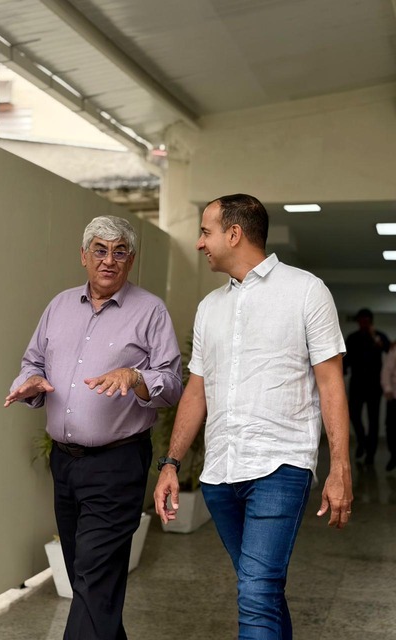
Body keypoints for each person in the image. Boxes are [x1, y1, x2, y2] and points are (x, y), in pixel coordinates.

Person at [154, 193, 353, 640]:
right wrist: (171, 463)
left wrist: (339, 466)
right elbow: (197, 390)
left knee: (257, 591)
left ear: (234, 234)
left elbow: (330, 383)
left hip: (280, 466)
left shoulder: (306, 291)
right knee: (261, 589)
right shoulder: (209, 307)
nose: (199, 243)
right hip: (220, 473)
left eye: (205, 232)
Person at [5, 215, 182, 640]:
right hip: (65, 463)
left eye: (119, 252)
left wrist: (136, 377)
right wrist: (30, 382)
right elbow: (33, 361)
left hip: (117, 464)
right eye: (100, 250)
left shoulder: (150, 311)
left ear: (131, 260)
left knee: (94, 576)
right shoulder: (59, 306)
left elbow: (173, 384)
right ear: (84, 256)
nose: (109, 260)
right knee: (86, 578)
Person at [344, 308, 390, 464]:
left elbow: (387, 349)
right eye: (361, 320)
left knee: (373, 420)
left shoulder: (378, 336)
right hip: (357, 383)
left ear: (371, 321)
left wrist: (374, 335)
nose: (363, 323)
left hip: (374, 385)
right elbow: (346, 360)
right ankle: (362, 441)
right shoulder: (352, 338)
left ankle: (371, 453)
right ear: (358, 321)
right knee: (353, 414)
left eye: (366, 320)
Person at [381, 342, 396, 471]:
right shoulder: (394, 350)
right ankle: (393, 455)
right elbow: (387, 370)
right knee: (391, 427)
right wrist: (388, 389)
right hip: (394, 396)